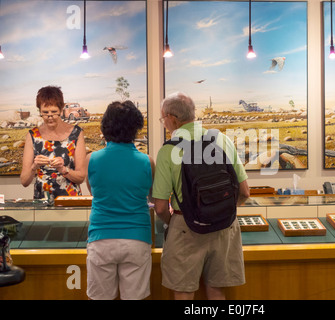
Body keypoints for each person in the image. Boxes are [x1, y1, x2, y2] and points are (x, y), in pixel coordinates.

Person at [153, 92, 250, 300]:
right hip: (225, 226)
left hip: (185, 229)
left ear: (172, 118)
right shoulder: (222, 140)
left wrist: (178, 221)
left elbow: (160, 207)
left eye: (163, 120)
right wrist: (221, 211)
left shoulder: (168, 151)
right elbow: (244, 192)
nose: (164, 124)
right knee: (217, 291)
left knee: (184, 292)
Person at [85, 100, 155, 300]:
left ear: (106, 126)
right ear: (136, 127)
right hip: (137, 238)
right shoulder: (147, 161)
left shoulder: (92, 159)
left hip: (101, 237)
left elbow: (94, 192)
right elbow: (150, 197)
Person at [20, 86, 86, 200]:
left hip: (70, 202)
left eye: (54, 112)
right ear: (39, 111)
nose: (50, 117)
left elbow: (81, 177)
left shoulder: (76, 133)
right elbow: (24, 181)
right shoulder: (33, 135)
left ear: (61, 109)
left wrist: (63, 169)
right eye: (45, 113)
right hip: (42, 201)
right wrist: (34, 166)